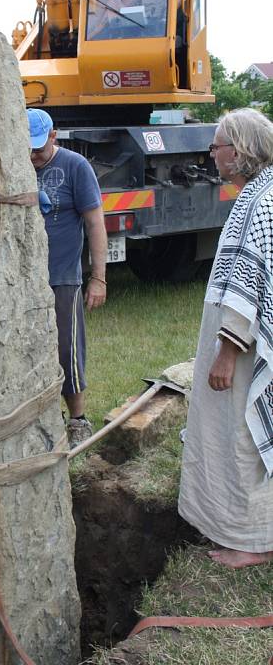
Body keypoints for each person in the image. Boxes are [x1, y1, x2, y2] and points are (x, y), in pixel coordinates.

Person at [178, 108, 273, 568]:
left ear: (239, 151)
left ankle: (251, 542)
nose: (212, 154)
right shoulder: (259, 194)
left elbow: (249, 284)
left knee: (241, 435)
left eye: (217, 145)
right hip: (247, 342)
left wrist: (226, 353)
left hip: (245, 346)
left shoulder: (260, 202)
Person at [27, 108, 107, 447]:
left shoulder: (75, 167)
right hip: (24, 281)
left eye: (39, 148)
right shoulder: (16, 166)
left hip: (62, 276)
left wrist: (98, 278)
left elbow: (95, 224)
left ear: (54, 136)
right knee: (29, 349)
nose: (33, 156)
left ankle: (77, 420)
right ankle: (44, 417)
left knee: (67, 348)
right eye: (27, 149)